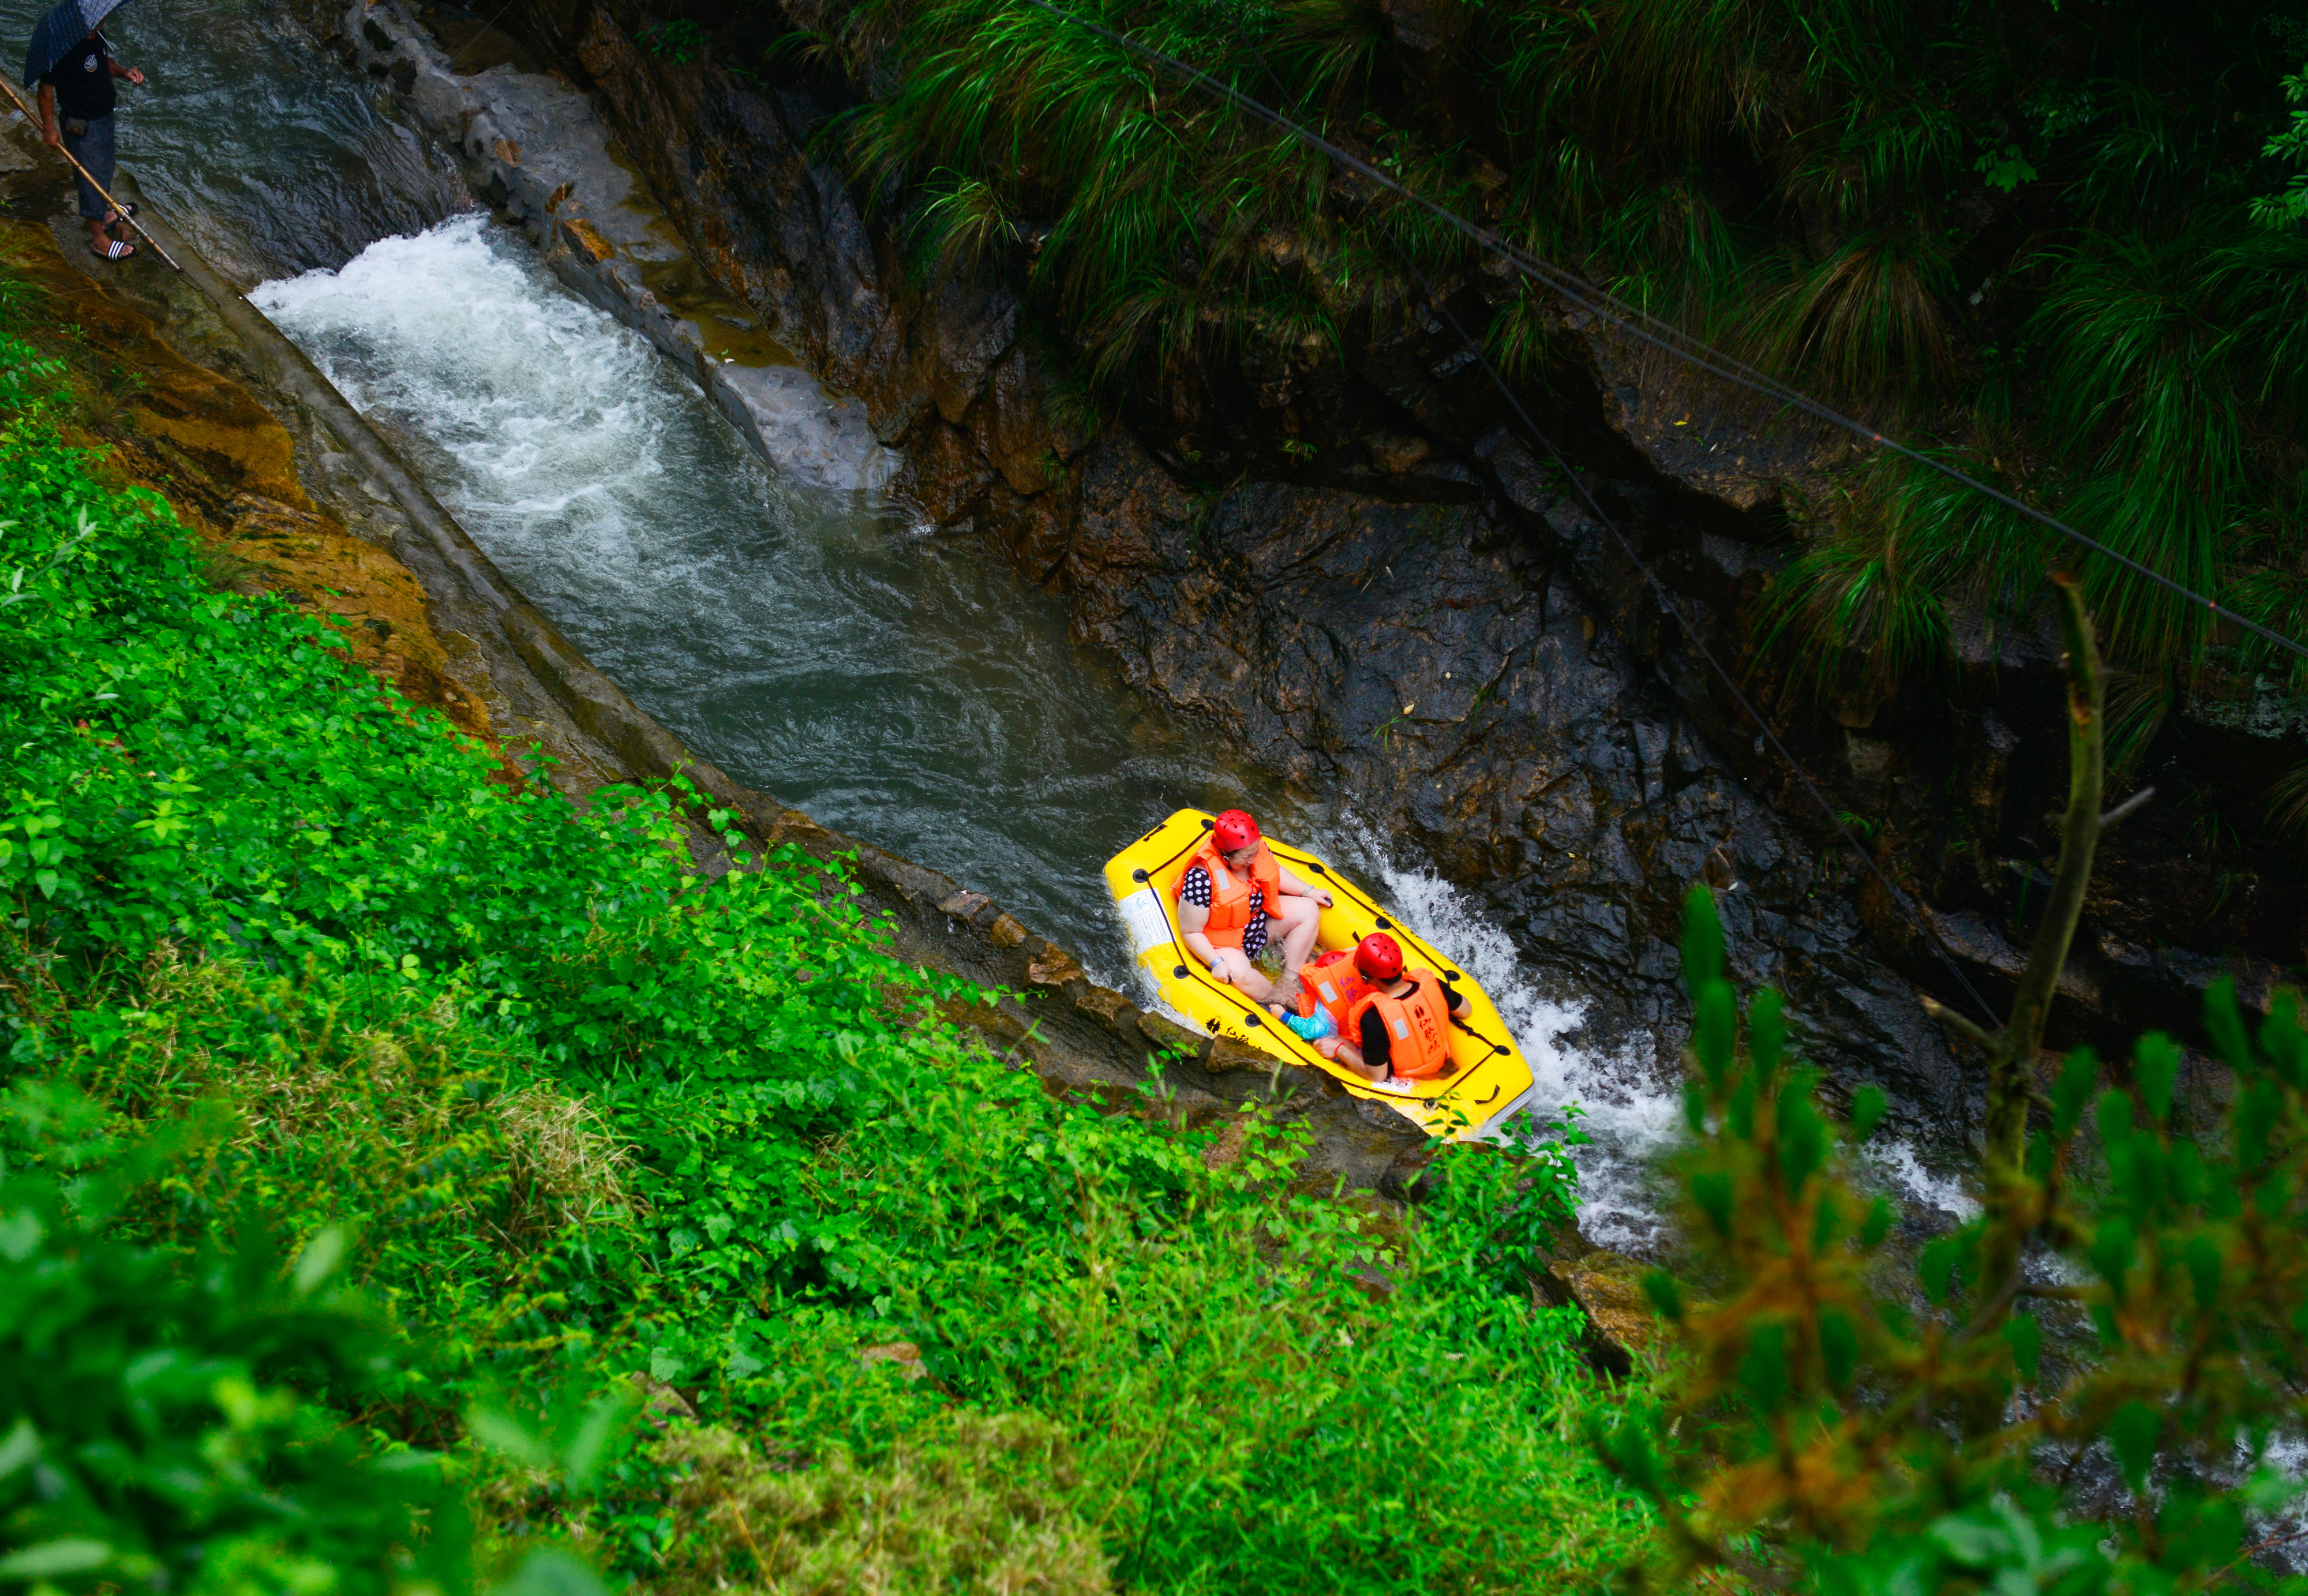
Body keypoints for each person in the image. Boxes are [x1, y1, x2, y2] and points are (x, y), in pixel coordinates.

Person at [1174, 808, 1331, 1004]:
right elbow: (1191, 932)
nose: (1252, 860)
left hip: (1258, 923)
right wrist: (1215, 962)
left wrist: (1308, 892)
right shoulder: (1201, 877)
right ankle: (1278, 1000)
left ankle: (1289, 981)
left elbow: (1274, 872)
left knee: (1308, 909)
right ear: (1225, 855)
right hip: (1225, 941)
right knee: (1240, 974)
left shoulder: (1255, 851)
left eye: (1254, 853)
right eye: (1246, 857)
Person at [37, 27, 145, 261]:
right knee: (90, 175)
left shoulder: (98, 34)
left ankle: (102, 214)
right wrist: (50, 128)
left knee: (105, 168)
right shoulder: (64, 45)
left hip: (104, 115)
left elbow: (102, 63)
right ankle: (99, 241)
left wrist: (125, 73)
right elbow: (45, 89)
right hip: (82, 122)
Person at [1327, 932, 1469, 1094]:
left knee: (1334, 1036)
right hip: (1443, 1064)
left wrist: (1340, 1050)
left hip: (1408, 1083)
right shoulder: (1433, 984)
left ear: (1366, 977)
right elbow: (1466, 1010)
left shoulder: (1373, 1018)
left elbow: (1377, 1076)